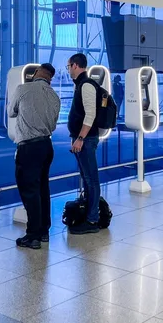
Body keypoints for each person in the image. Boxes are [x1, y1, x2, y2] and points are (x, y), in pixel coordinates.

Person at [7, 63, 61, 249]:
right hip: (46, 146)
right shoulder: (54, 96)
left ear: (37, 73)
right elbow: (53, 126)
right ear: (50, 78)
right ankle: (44, 230)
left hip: (28, 147)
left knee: (29, 191)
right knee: (43, 188)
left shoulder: (23, 89)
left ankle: (33, 236)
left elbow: (10, 112)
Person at [66, 53, 101, 234]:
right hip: (82, 139)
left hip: (85, 139)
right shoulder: (80, 85)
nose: (68, 69)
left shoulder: (86, 85)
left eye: (68, 66)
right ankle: (89, 213)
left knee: (91, 179)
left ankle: (92, 220)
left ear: (76, 65)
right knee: (87, 179)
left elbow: (90, 114)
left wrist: (80, 138)